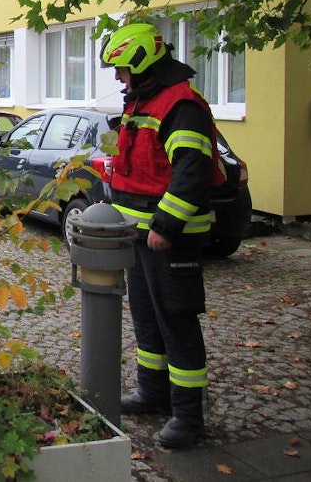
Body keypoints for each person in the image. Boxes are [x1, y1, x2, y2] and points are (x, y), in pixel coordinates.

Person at [101, 23, 225, 449]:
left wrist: (165, 226)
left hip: (168, 240)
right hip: (140, 238)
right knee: (148, 320)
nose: (118, 77)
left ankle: (189, 417)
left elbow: (190, 172)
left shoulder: (180, 105)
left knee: (177, 322)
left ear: (139, 62)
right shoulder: (144, 100)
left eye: (121, 68)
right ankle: (153, 392)